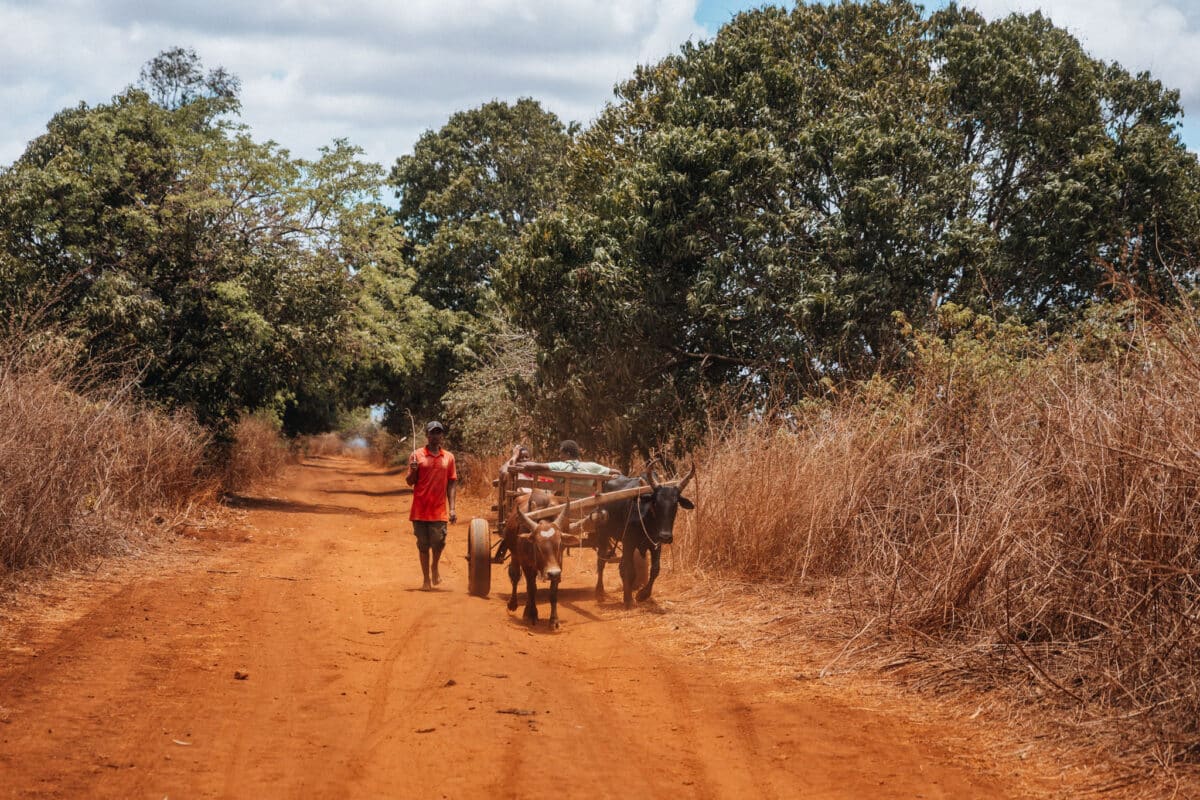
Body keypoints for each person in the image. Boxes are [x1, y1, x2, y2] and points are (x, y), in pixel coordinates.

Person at [406, 421, 458, 590]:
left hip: (439, 509)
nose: (435, 436)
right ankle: (426, 580)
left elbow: (452, 482)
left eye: (438, 432)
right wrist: (414, 470)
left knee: (439, 542)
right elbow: (409, 482)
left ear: (442, 435)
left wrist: (452, 508)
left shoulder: (449, 457)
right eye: (432, 433)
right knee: (423, 545)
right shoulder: (416, 455)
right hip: (420, 509)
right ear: (427, 435)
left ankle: (434, 566)